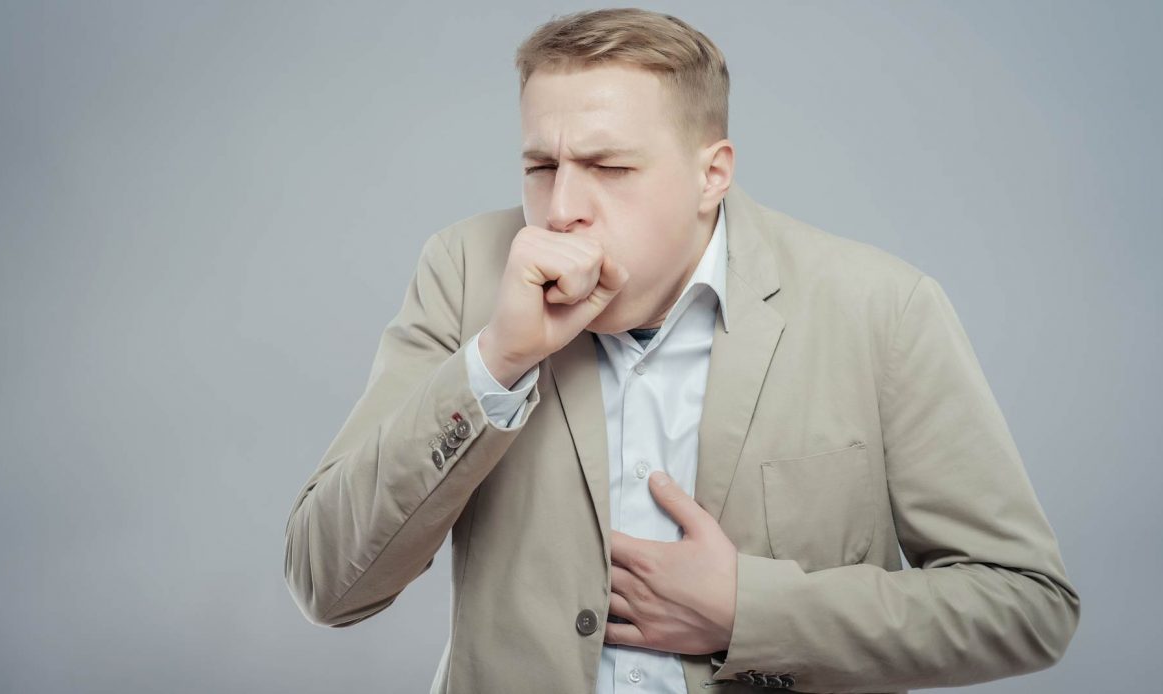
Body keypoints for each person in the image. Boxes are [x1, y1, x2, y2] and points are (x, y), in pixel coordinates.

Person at [283, 8, 1080, 693]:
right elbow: (328, 583)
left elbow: (1028, 605)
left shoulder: (881, 308)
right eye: (540, 166)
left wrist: (748, 611)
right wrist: (495, 364)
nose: (561, 209)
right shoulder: (464, 272)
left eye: (609, 166)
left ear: (713, 175)